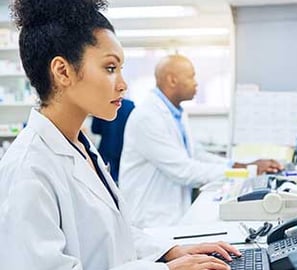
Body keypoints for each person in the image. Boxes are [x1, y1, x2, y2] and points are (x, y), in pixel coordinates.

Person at [0, 1, 240, 269]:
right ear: (63, 71)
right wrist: (166, 269)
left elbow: (114, 232)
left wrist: (171, 252)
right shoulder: (28, 170)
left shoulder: (79, 146)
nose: (123, 85)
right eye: (110, 68)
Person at [119, 54, 284, 228]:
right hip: (151, 220)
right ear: (172, 80)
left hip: (170, 215)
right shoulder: (148, 117)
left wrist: (239, 164)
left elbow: (195, 154)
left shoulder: (176, 112)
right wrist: (242, 170)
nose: (196, 82)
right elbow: (183, 170)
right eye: (191, 76)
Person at [91, 98, 135, 182]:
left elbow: (95, 129)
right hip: (123, 150)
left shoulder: (101, 105)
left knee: (106, 182)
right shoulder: (130, 106)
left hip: (106, 150)